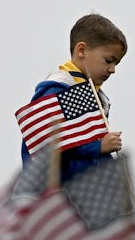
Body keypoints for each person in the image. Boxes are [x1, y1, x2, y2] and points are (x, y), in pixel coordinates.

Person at [21, 13, 127, 182]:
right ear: (81, 50)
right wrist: (98, 147)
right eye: (108, 60)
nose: (113, 69)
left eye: (116, 64)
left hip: (87, 196)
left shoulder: (97, 97)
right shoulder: (58, 91)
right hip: (57, 196)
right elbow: (50, 146)